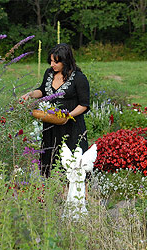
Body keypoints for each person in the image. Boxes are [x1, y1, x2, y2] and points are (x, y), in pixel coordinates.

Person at [21, 43, 90, 177]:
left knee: (71, 161)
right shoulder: (49, 73)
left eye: (56, 62)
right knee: (50, 159)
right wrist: (29, 95)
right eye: (51, 61)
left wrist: (67, 116)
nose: (52, 64)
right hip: (50, 125)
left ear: (66, 61)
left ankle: (75, 193)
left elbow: (84, 104)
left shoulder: (79, 78)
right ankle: (51, 192)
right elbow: (42, 91)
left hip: (71, 127)